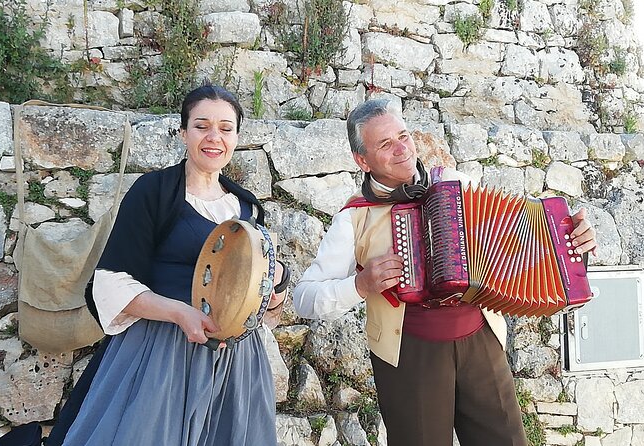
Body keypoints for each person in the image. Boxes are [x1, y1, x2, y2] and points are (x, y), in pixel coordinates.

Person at [293, 98, 597, 446]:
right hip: (410, 353)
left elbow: (517, 247)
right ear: (362, 161)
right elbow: (305, 298)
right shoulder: (354, 218)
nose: (401, 149)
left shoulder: (456, 184)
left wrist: (569, 242)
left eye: (403, 136)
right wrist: (360, 284)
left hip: (481, 340)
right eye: (384, 144)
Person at [47, 83, 288, 446]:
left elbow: (260, 286)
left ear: (237, 136)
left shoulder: (246, 207)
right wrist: (180, 314)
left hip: (234, 361)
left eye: (225, 128)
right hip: (161, 352)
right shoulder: (153, 192)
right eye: (201, 126)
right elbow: (110, 284)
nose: (214, 137)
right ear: (182, 132)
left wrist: (278, 282)